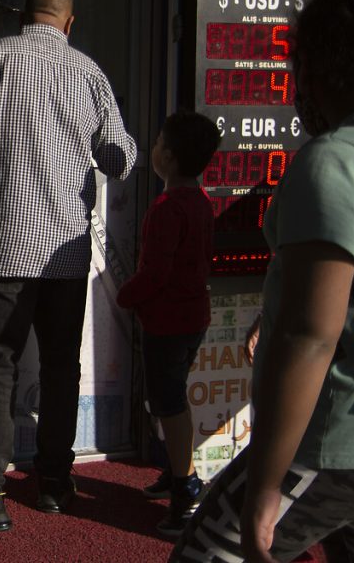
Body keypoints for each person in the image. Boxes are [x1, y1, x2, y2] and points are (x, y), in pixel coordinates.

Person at [171, 0, 354, 562]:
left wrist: (264, 485)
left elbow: (311, 336)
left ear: (321, 68)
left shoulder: (335, 160)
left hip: (331, 444)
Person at [0, 0, 137, 530]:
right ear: (70, 23)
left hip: (1, 247)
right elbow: (119, 158)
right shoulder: (89, 73)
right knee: (61, 366)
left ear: (23, 16)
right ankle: (54, 483)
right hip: (65, 253)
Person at [116, 111, 220, 537]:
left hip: (167, 323)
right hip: (192, 319)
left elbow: (155, 274)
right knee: (170, 399)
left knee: (169, 403)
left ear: (169, 157)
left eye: (158, 142)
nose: (153, 148)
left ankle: (185, 488)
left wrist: (125, 296)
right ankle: (177, 469)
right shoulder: (201, 202)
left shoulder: (167, 208)